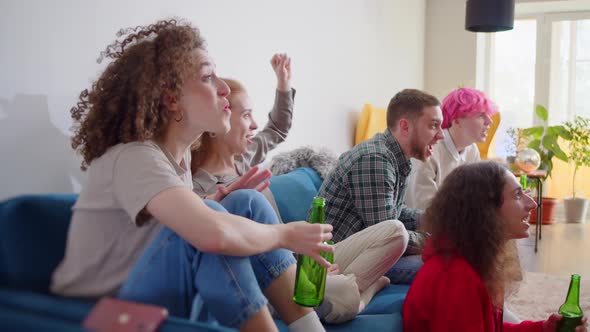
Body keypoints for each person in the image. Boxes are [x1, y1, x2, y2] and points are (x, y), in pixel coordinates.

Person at [50, 19, 334, 332]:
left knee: (246, 202)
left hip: (147, 293)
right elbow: (211, 235)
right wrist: (285, 235)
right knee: (212, 224)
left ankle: (309, 329)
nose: (224, 88)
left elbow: (155, 234)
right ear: (172, 100)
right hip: (99, 314)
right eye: (208, 77)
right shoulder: (135, 157)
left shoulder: (179, 157)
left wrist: (213, 201)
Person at [191, 67, 408, 323]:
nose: (254, 125)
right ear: (217, 123)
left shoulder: (245, 159)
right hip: (274, 279)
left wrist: (283, 84)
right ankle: (362, 290)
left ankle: (340, 289)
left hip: (298, 257)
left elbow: (277, 129)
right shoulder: (198, 191)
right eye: (246, 115)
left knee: (396, 231)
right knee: (344, 294)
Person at [402, 161, 588, 332]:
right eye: (517, 195)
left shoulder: (473, 260)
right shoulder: (456, 278)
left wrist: (543, 329)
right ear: (485, 211)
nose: (532, 203)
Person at [317, 88, 445, 284]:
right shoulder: (375, 159)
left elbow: (395, 212)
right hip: (333, 261)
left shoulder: (396, 158)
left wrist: (434, 220)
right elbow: (389, 234)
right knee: (447, 266)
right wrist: (439, 242)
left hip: (366, 250)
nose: (441, 135)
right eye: (434, 125)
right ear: (405, 126)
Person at [405, 87, 497, 210]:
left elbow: (475, 196)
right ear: (457, 121)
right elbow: (422, 209)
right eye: (481, 116)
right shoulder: (428, 151)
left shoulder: (472, 150)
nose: (489, 121)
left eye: (488, 115)